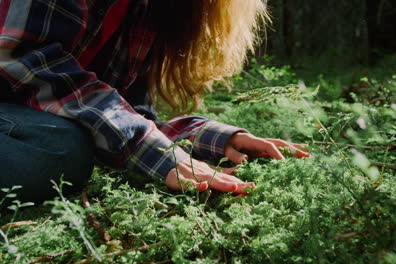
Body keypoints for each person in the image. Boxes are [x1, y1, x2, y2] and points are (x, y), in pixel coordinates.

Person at [0, 0, 309, 204]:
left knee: (68, 141)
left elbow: (128, 115)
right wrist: (150, 150)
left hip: (22, 124)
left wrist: (211, 139)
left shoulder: (147, 11)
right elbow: (21, 54)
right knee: (62, 147)